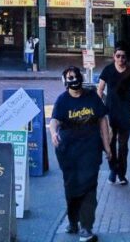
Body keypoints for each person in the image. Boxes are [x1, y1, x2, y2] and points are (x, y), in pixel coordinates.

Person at [50, 66, 111, 242]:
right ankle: (73, 220)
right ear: (64, 81)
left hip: (90, 150)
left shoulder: (92, 97)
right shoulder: (62, 100)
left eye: (76, 76)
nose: (74, 80)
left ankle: (86, 227)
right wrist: (53, 133)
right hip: (68, 152)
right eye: (70, 77)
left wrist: (107, 148)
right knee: (72, 187)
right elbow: (54, 121)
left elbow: (102, 121)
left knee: (89, 187)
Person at [96, 41, 130, 185]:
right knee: (109, 142)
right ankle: (113, 169)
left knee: (123, 145)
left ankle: (121, 173)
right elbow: (100, 89)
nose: (121, 59)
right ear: (114, 56)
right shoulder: (108, 70)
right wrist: (99, 107)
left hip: (125, 112)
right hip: (109, 113)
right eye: (118, 56)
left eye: (123, 56)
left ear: (127, 58)